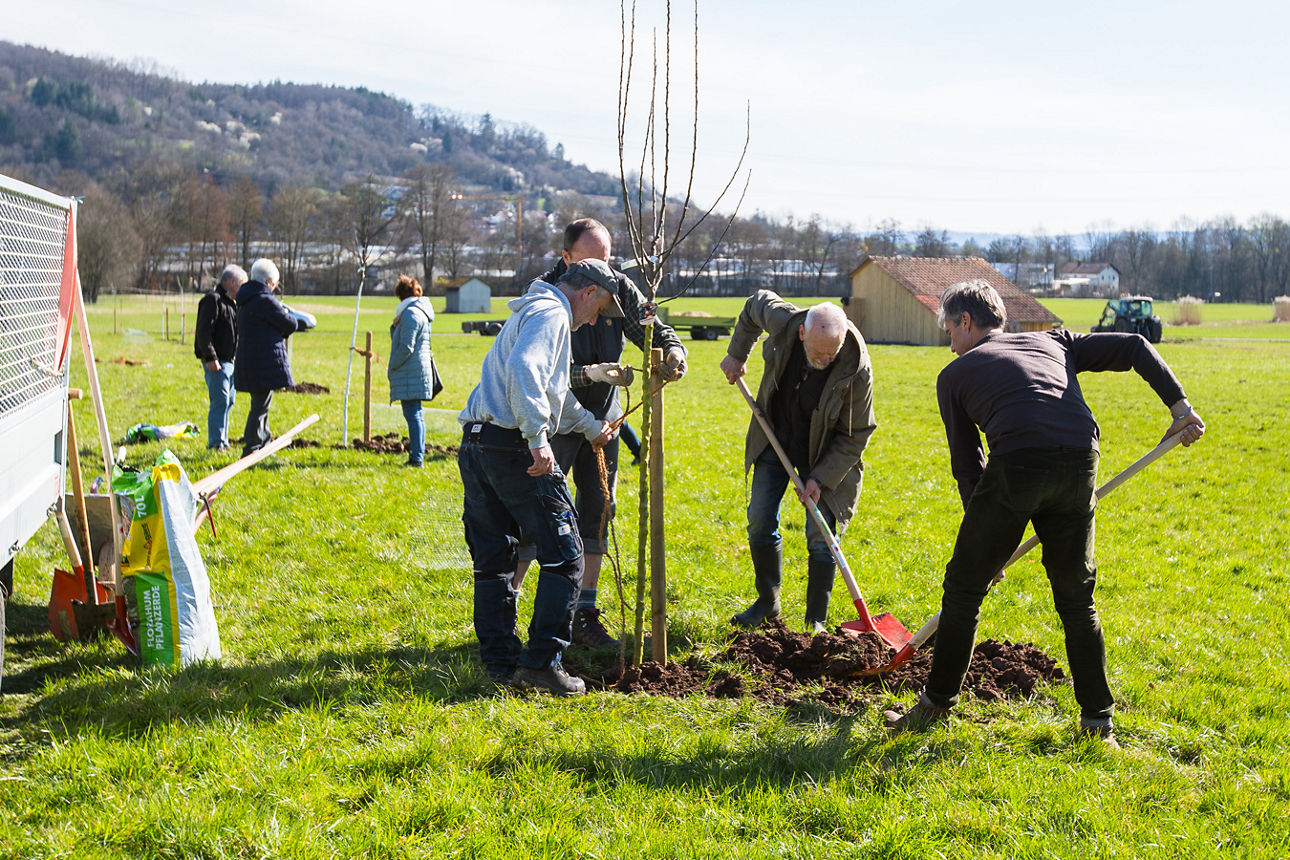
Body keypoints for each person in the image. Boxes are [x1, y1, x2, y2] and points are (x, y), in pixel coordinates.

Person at [884, 279, 1205, 747]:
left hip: (1018, 462)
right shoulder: (1055, 340)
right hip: (1080, 460)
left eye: (949, 331)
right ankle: (1099, 724)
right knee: (1077, 599)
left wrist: (984, 550)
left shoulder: (954, 375)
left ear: (966, 322)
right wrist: (1180, 409)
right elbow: (1134, 346)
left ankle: (934, 706)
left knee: (964, 591)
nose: (950, 345)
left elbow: (968, 465)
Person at [514, 218, 687, 649]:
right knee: (535, 513)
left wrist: (672, 353)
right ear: (566, 257)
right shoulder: (545, 296)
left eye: (606, 261)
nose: (601, 272)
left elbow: (652, 329)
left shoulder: (621, 288)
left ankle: (583, 615)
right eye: (590, 262)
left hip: (603, 423)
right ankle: (510, 609)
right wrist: (588, 373)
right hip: (556, 419)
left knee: (598, 510)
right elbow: (541, 375)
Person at [458, 258, 624, 696]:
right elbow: (525, 371)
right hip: (514, 447)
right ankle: (542, 664)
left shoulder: (533, 309)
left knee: (494, 558)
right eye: (599, 309)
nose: (594, 321)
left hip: (477, 444)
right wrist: (536, 438)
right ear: (588, 292)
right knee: (566, 554)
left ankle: (500, 662)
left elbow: (555, 393)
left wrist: (591, 428)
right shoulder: (552, 314)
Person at [720, 292, 877, 634]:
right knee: (759, 520)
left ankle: (815, 621)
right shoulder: (784, 322)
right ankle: (767, 603)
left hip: (824, 457)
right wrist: (737, 353)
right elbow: (754, 304)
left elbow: (857, 435)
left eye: (830, 353)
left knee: (821, 537)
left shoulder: (856, 369)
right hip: (774, 440)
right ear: (803, 333)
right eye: (817, 352)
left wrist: (821, 478)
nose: (824, 360)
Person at [233, 259, 311, 457]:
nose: (274, 288)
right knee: (260, 406)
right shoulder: (265, 300)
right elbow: (290, 324)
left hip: (249, 359)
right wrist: (285, 312)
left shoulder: (246, 299)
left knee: (261, 403)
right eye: (275, 284)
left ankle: (264, 443)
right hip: (263, 361)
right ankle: (251, 447)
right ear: (268, 282)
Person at [194, 264, 247, 450]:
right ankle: (216, 444)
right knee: (220, 401)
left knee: (229, 401)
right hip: (217, 362)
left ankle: (223, 440)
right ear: (232, 282)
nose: (243, 289)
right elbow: (203, 331)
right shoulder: (212, 300)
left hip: (230, 361)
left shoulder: (231, 303)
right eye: (242, 284)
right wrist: (210, 357)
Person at [387, 274, 437, 468]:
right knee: (416, 414)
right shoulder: (418, 311)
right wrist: (394, 326)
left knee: (413, 415)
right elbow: (401, 339)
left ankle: (417, 458)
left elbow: (406, 347)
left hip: (410, 371)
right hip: (416, 370)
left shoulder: (411, 314)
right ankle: (418, 456)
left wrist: (393, 364)